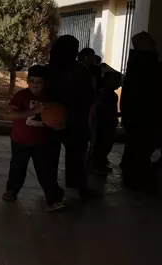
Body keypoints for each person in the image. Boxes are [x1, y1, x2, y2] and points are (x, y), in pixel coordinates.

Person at [3, 65, 65, 211]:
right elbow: (8, 115)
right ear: (27, 81)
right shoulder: (22, 96)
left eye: (39, 81)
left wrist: (58, 125)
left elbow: (56, 119)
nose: (35, 84)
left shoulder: (51, 98)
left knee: (45, 171)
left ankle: (53, 199)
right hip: (20, 140)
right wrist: (32, 111)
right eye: (32, 81)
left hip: (42, 142)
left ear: (46, 82)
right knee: (18, 167)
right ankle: (11, 190)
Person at [46, 35, 97, 199]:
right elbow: (89, 95)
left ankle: (51, 186)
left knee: (51, 155)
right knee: (76, 154)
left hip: (53, 117)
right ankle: (76, 184)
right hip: (76, 118)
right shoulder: (80, 70)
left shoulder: (50, 70)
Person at [119, 31, 160, 190]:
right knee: (140, 147)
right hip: (141, 115)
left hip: (136, 115)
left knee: (136, 146)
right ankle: (137, 177)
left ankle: (134, 175)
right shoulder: (145, 64)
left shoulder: (137, 62)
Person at [90, 71, 122, 175]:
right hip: (103, 125)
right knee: (101, 145)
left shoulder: (111, 94)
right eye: (116, 80)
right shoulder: (104, 94)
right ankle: (97, 165)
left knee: (105, 145)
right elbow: (101, 110)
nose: (119, 83)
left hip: (108, 124)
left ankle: (100, 163)